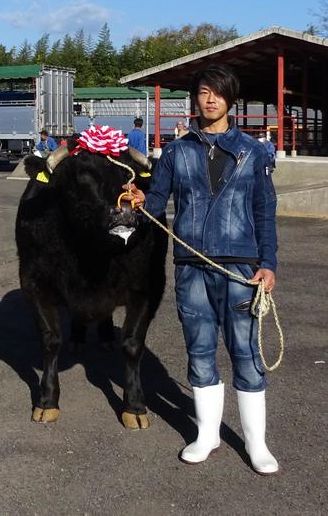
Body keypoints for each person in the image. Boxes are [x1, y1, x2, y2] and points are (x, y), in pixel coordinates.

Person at [125, 64, 279, 475]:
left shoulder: (254, 151)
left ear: (230, 98)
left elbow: (265, 212)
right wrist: (139, 201)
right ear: (194, 98)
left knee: (246, 354)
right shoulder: (176, 152)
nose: (210, 100)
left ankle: (256, 443)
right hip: (191, 267)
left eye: (218, 93)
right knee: (200, 352)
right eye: (203, 92)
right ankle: (207, 434)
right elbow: (157, 202)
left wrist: (268, 264)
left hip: (241, 272)